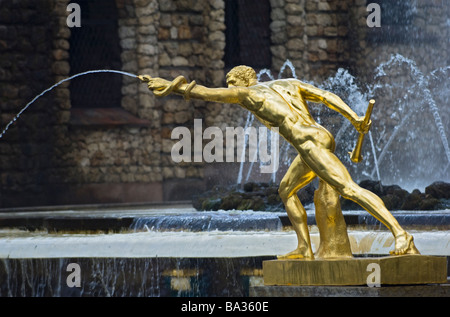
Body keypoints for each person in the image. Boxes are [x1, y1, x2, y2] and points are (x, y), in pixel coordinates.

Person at [140, 65, 419, 259]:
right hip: (319, 137)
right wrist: (354, 117)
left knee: (349, 189)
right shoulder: (288, 84)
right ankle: (305, 249)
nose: (230, 89)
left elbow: (203, 92)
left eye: (231, 84)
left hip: (309, 144)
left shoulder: (246, 94)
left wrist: (171, 87)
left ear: (243, 81)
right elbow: (326, 96)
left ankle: (400, 234)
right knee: (286, 190)